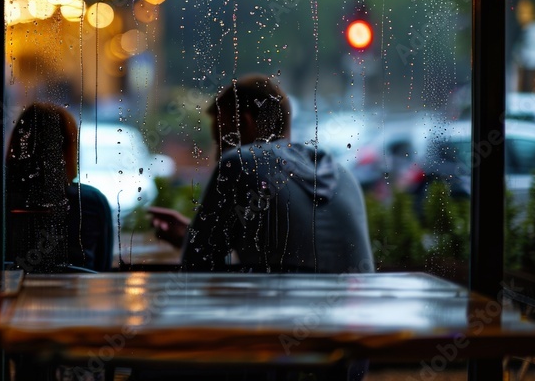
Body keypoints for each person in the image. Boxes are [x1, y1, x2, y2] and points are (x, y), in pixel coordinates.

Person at [150, 74, 374, 274]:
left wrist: (196, 243)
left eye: (221, 137)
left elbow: (197, 266)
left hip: (281, 317)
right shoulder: (340, 173)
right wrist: (195, 237)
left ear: (245, 123)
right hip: (353, 315)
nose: (217, 153)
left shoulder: (241, 163)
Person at [0, 103, 114, 272]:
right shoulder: (90, 203)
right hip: (72, 297)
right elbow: (101, 273)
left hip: (2, 296)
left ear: (17, 143)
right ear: (69, 150)